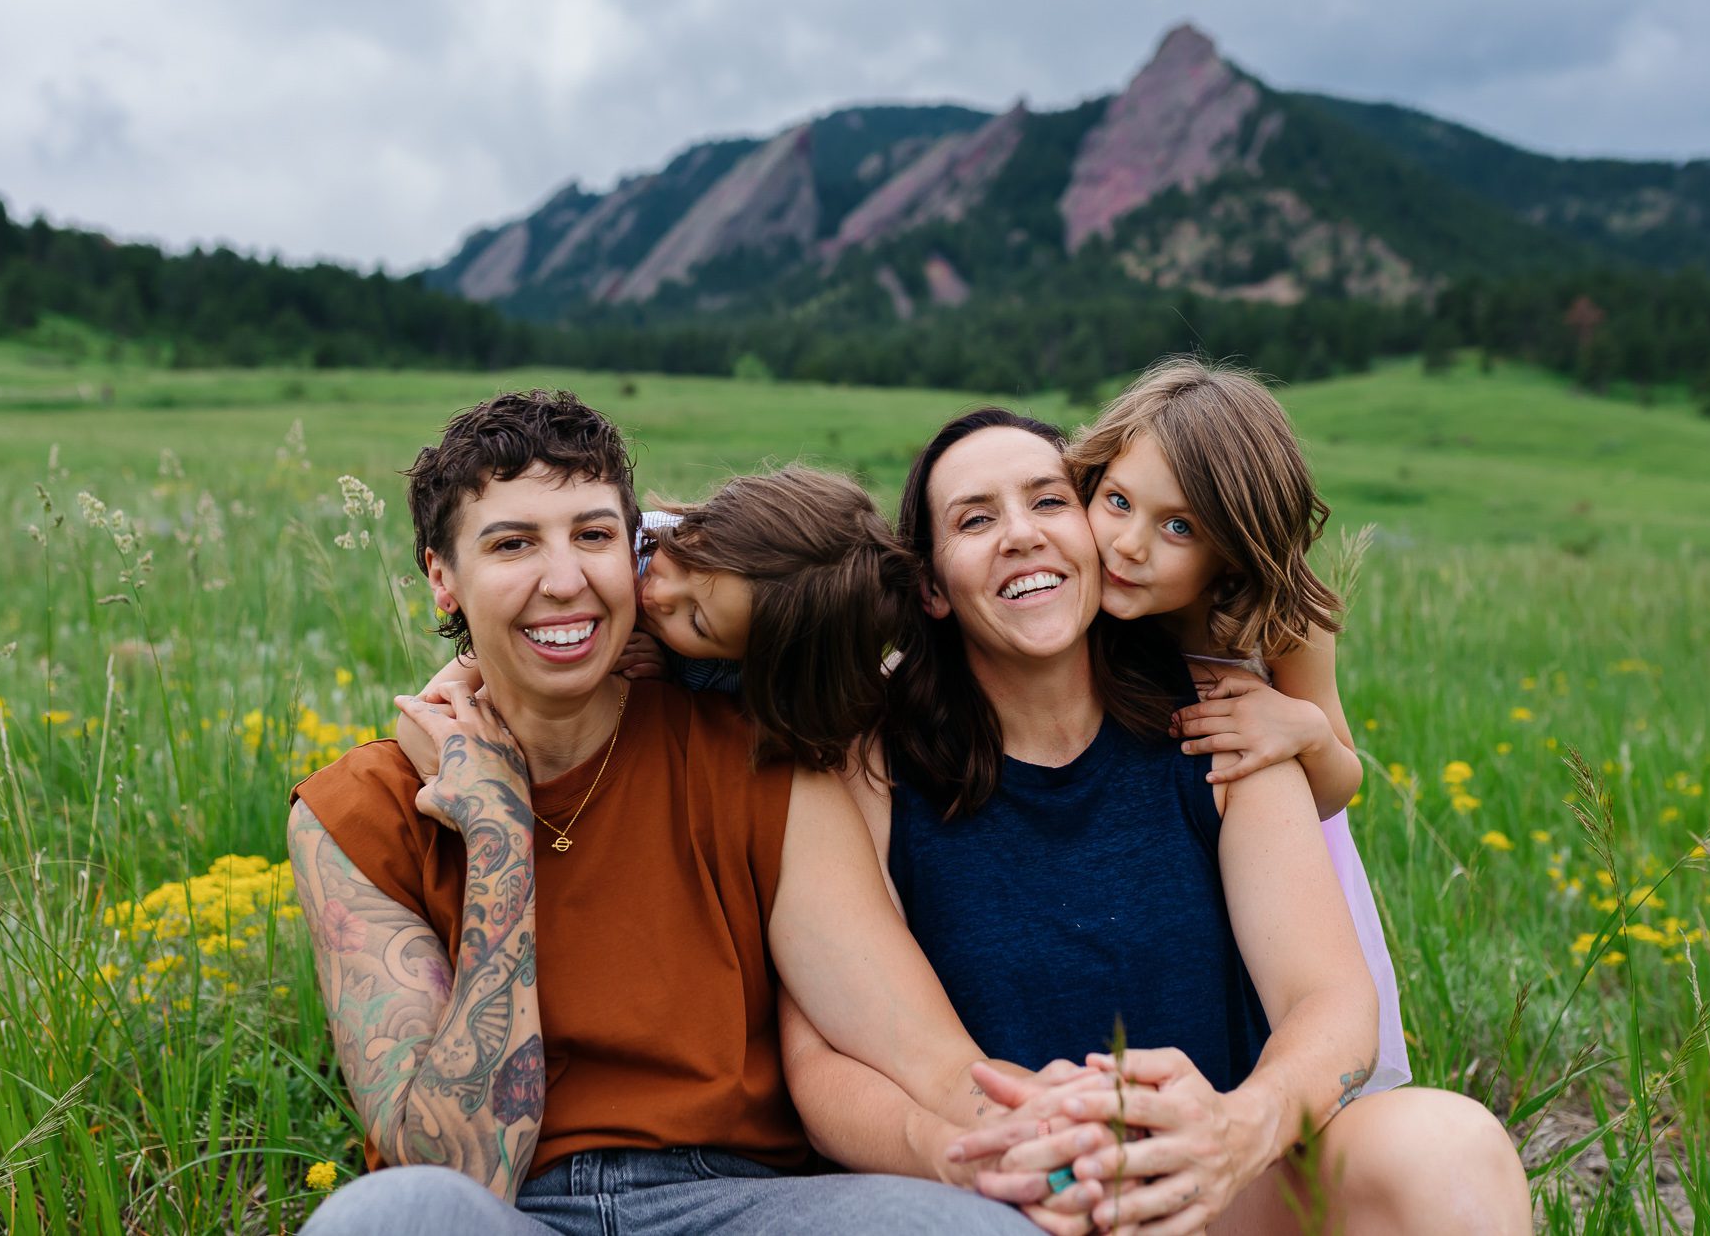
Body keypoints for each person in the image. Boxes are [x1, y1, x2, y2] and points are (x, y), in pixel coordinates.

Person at [289, 390, 1036, 1235]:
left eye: (595, 536)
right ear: (443, 579)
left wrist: (1034, 1131)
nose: (565, 580)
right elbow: (460, 1169)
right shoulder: (356, 812)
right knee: (390, 1217)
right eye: (512, 544)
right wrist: (498, 831)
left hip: (744, 1204)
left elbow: (920, 1051)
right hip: (516, 1209)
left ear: (635, 551)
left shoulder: (761, 765)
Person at [782, 408, 1531, 1234]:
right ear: (929, 586)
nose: (1021, 534)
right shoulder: (869, 763)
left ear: (1092, 536)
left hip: (1217, 1189)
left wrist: (1241, 1127)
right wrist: (964, 1151)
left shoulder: (1224, 722)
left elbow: (1330, 998)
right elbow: (821, 1060)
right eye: (975, 518)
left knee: (1449, 1146)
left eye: (1048, 501)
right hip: (992, 1200)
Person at [1066, 356, 1410, 1095]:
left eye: (1179, 526)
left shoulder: (1284, 625)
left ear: (1232, 546)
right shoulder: (1079, 589)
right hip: (1161, 864)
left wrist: (1306, 732)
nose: (1129, 544)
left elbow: (1341, 783)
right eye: (1119, 501)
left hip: (1279, 865)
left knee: (1273, 1027)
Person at [399, 465, 914, 771]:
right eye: (687, 557)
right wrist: (442, 729)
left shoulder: (756, 686)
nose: (660, 595)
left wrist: (670, 678)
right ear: (702, 521)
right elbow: (427, 711)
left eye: (697, 625)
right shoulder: (636, 543)